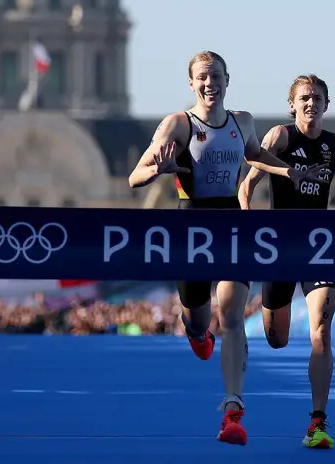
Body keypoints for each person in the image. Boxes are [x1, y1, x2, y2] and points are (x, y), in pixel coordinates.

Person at [129, 51, 319, 446]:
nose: (209, 83)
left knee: (233, 318)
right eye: (202, 77)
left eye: (216, 76)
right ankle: (198, 334)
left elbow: (253, 153)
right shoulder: (178, 125)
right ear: (191, 83)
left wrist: (288, 170)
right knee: (199, 320)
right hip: (192, 228)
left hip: (231, 226)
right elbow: (135, 177)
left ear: (227, 80)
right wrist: (156, 171)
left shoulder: (242, 121)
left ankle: (233, 411)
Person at [238, 74, 335, 450]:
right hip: (280, 250)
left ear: (326, 105)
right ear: (292, 105)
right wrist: (249, 219)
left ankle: (317, 421)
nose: (311, 103)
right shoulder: (279, 138)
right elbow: (246, 185)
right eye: (304, 98)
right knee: (278, 339)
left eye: (317, 98)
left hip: (319, 249)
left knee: (321, 330)